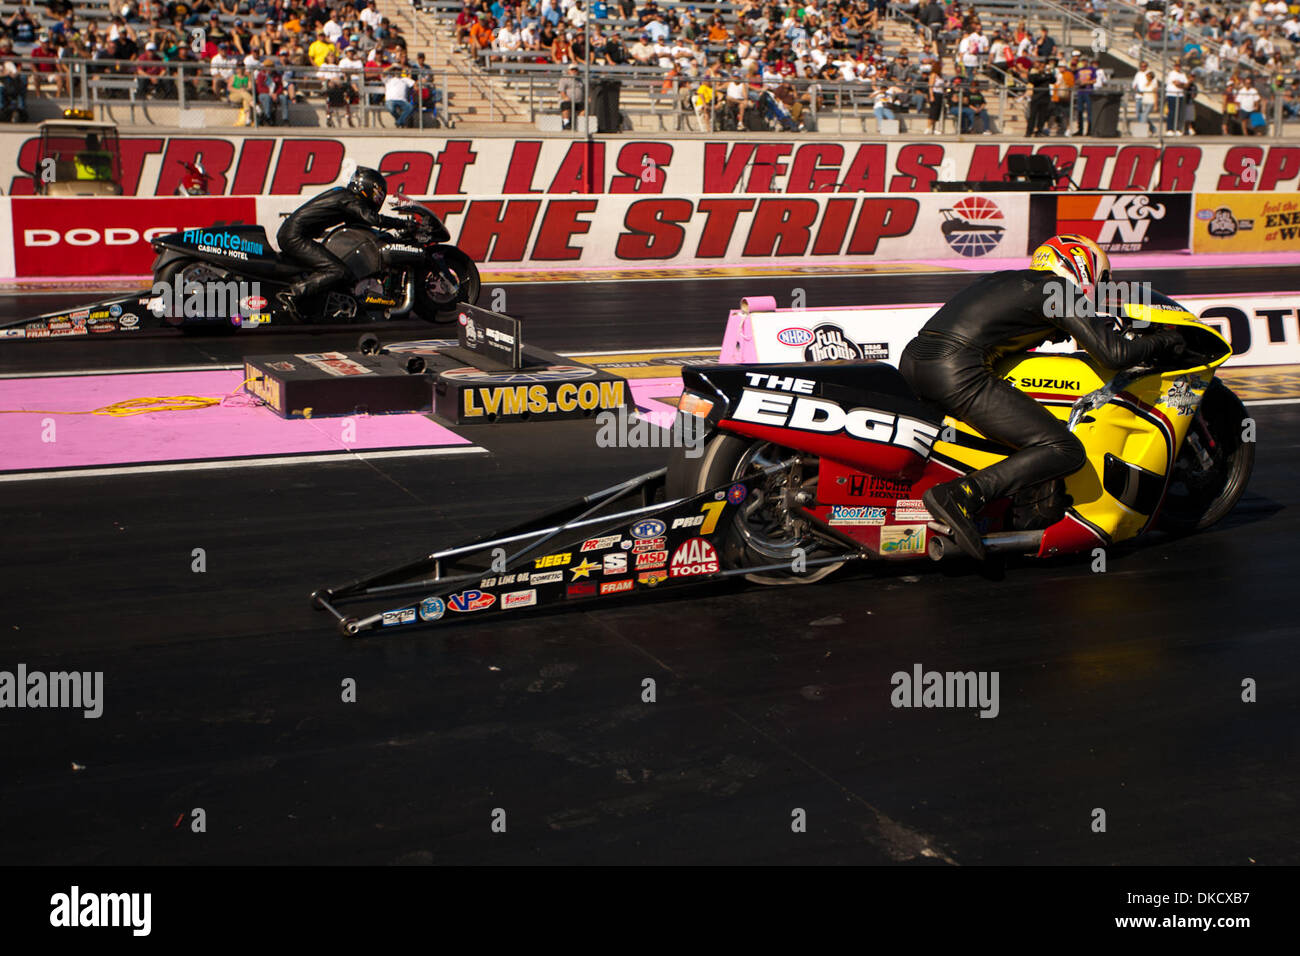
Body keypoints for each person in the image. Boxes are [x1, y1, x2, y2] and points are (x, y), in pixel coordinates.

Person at [898, 235, 1185, 560]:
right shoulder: (1057, 289)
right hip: (955, 369)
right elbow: (1113, 353)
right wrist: (1163, 341)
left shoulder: (1015, 281)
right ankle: (961, 495)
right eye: (1102, 280)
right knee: (1062, 448)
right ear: (1083, 266)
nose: (1101, 289)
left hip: (915, 361)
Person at [275, 168, 409, 320]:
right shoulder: (348, 198)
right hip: (294, 237)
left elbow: (362, 225)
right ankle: (290, 294)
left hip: (295, 235)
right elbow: (370, 218)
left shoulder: (345, 198)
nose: (380, 196)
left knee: (338, 267)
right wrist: (402, 223)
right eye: (378, 192)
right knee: (337, 271)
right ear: (367, 187)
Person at [558, 63, 583, 129]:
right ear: (568, 71)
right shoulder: (564, 79)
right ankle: (566, 123)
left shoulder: (580, 80)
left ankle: (580, 124)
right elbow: (561, 91)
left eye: (575, 70)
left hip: (578, 101)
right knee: (566, 105)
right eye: (572, 70)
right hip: (568, 101)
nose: (574, 71)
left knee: (585, 107)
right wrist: (565, 97)